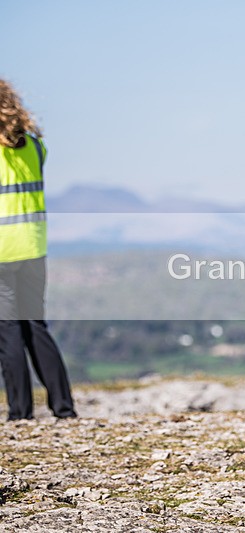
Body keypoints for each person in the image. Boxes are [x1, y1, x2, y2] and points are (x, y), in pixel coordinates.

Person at [0, 78, 77, 421]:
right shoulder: (35, 146)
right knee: (35, 325)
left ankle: (20, 413)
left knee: (8, 331)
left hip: (2, 251)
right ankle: (63, 406)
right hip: (32, 246)